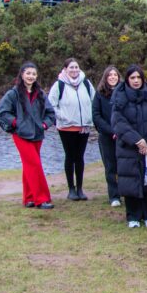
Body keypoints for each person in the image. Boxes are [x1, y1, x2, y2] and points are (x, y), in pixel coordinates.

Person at [0, 62, 57, 209]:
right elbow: (2, 113)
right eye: (28, 73)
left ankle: (29, 198)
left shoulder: (41, 94)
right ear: (22, 74)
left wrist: (44, 125)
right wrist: (17, 123)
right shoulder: (13, 93)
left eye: (34, 74)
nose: (31, 76)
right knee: (34, 165)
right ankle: (41, 199)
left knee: (29, 165)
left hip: (37, 135)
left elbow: (51, 114)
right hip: (21, 135)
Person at [111, 65, 147, 228]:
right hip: (128, 147)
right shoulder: (119, 98)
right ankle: (132, 216)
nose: (135, 81)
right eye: (132, 78)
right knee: (130, 181)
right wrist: (137, 140)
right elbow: (118, 123)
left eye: (138, 78)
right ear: (127, 79)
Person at [48, 58, 95, 201]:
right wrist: (63, 117)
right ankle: (71, 189)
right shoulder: (59, 85)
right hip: (66, 128)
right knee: (70, 156)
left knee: (80, 157)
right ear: (65, 69)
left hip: (84, 127)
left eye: (76, 67)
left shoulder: (86, 83)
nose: (74, 70)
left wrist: (91, 117)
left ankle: (80, 188)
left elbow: (94, 101)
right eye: (71, 67)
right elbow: (51, 105)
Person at [92, 66, 122, 207]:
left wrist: (121, 131)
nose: (112, 77)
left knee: (124, 165)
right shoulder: (99, 94)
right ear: (105, 77)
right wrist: (111, 131)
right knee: (110, 167)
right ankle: (114, 196)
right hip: (106, 136)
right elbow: (96, 116)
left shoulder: (124, 92)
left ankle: (125, 191)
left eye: (115, 75)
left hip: (123, 135)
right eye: (109, 75)